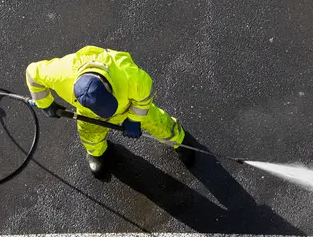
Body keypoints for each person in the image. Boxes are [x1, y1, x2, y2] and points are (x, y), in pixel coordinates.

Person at [25, 45, 194, 177]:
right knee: (89, 135)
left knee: (159, 123)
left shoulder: (129, 76)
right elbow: (32, 73)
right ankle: (96, 153)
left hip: (128, 106)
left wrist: (135, 119)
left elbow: (144, 97)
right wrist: (45, 103)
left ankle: (179, 139)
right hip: (88, 113)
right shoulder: (61, 73)